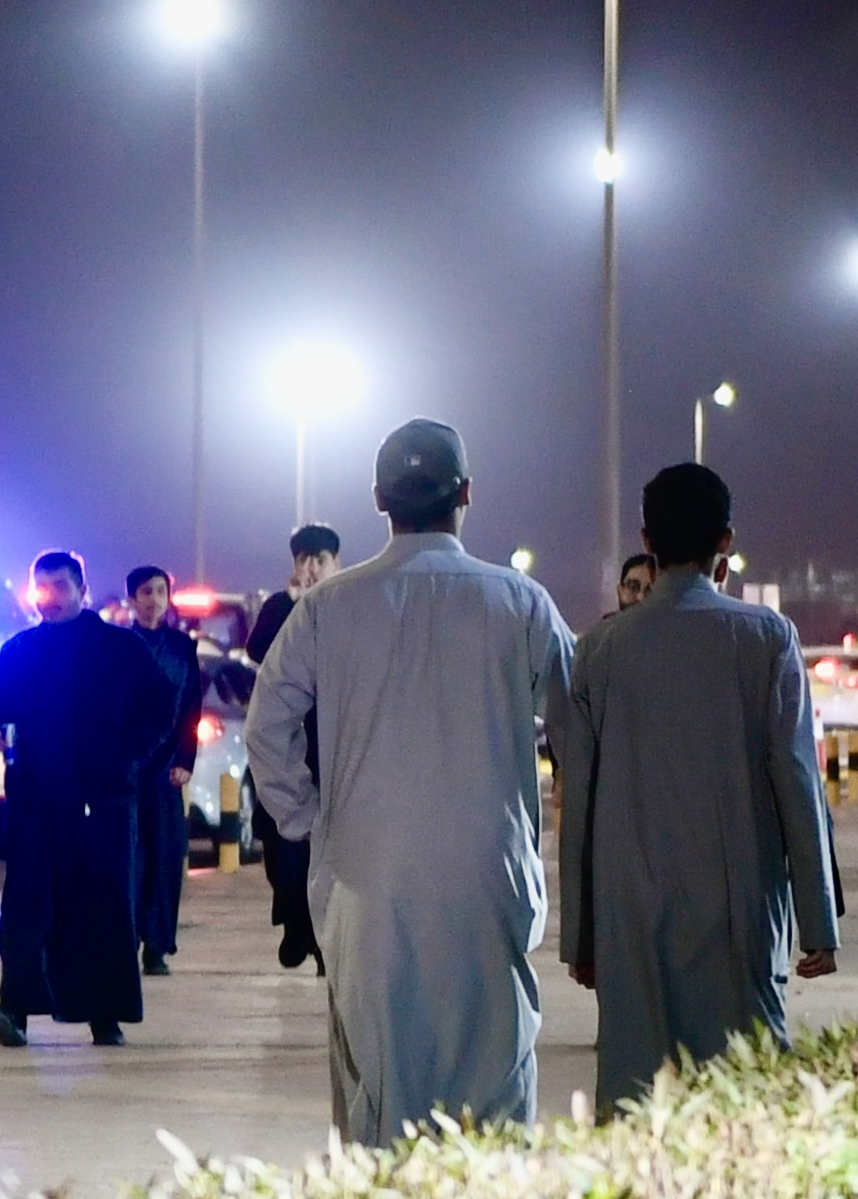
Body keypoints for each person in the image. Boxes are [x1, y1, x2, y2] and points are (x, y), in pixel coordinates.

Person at [245, 419, 573, 1142]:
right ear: (466, 494)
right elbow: (578, 724)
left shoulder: (327, 607)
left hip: (367, 877)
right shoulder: (519, 602)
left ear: (377, 499)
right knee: (492, 1081)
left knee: (378, 1084)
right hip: (488, 872)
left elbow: (266, 726)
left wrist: (304, 819)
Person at [558, 461, 838, 1108]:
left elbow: (580, 801)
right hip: (737, 902)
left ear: (647, 542)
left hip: (629, 909)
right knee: (744, 1098)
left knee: (635, 1097)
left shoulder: (599, 650)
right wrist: (817, 919)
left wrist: (581, 934)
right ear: (726, 542)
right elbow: (796, 781)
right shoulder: (764, 639)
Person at [0, 549, 172, 1048]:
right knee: (27, 906)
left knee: (103, 907)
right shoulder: (20, 650)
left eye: (61, 586)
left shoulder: (119, 648)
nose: (51, 598)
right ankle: (14, 1009)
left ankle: (104, 1015)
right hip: (36, 802)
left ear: (82, 590)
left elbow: (159, 708)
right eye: (42, 588)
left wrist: (125, 758)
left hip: (102, 802)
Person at [245, 524, 341, 970]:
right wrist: (294, 607)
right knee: (282, 849)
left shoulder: (347, 605)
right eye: (304, 560)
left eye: (320, 560)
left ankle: (318, 939)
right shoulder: (280, 607)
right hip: (286, 747)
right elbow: (259, 650)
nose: (311, 569)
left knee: (325, 851)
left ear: (335, 563)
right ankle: (295, 925)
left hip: (333, 747)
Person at [123, 565, 207, 978]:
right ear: (131, 599)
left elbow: (192, 706)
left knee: (165, 856)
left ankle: (156, 946)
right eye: (145, 592)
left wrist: (185, 759)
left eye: (160, 591)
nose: (154, 599)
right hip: (124, 767)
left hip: (166, 768)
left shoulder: (181, 646)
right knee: (128, 856)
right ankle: (125, 938)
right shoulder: (117, 645)